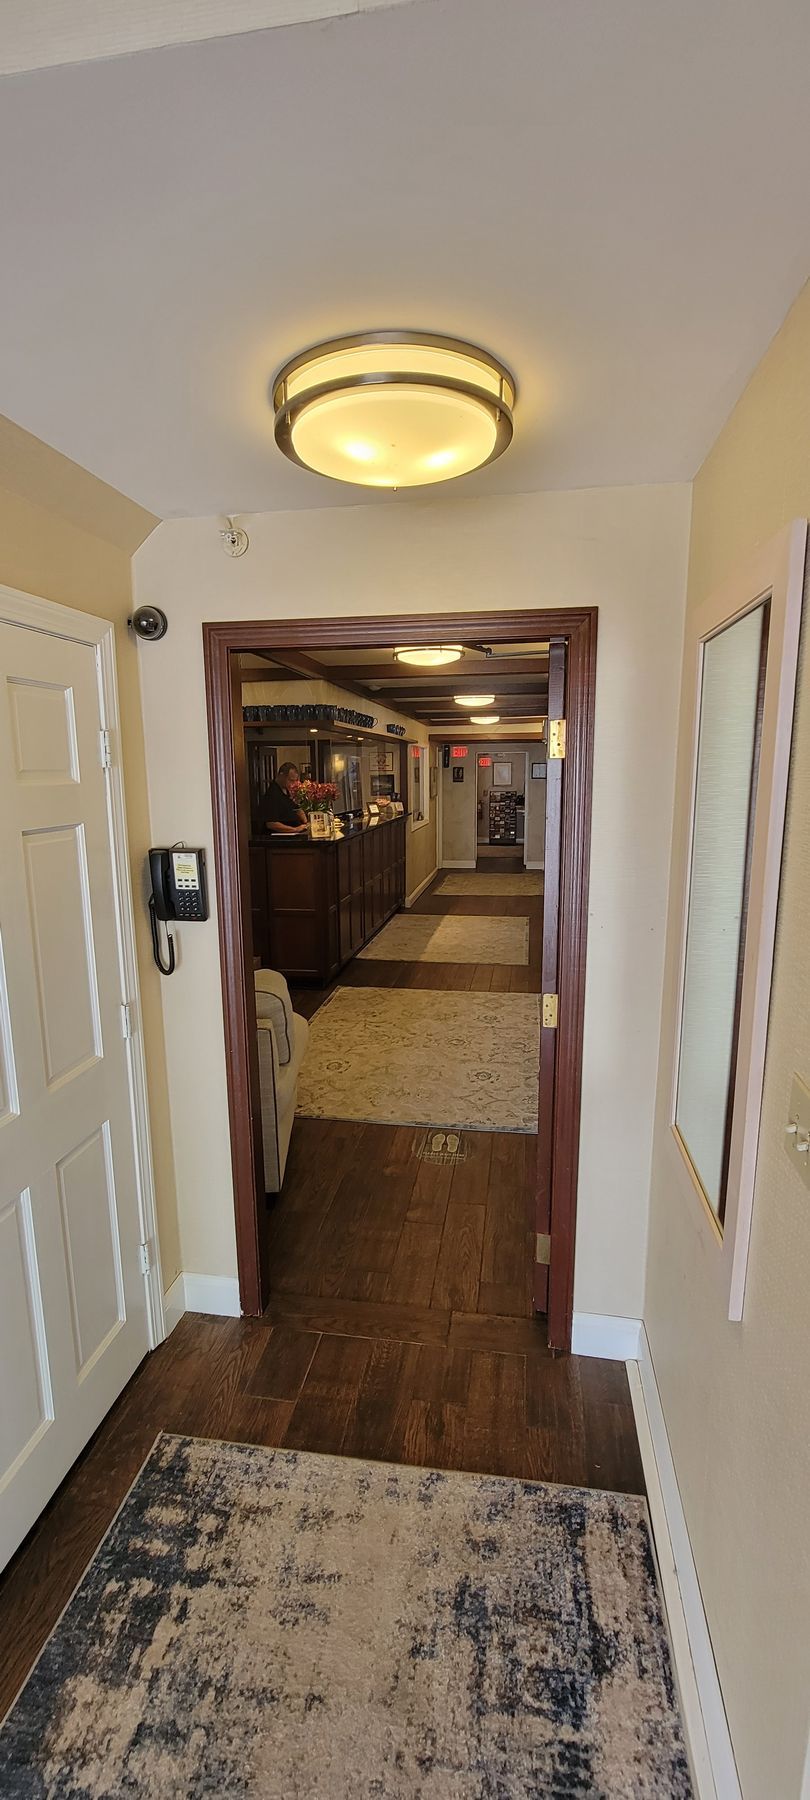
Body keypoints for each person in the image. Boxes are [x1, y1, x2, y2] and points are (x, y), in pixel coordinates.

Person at [261, 761, 308, 834]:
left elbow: (296, 809)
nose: (293, 784)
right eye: (291, 780)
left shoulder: (287, 790)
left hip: (297, 831)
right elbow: (271, 824)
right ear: (281, 775)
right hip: (282, 838)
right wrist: (295, 829)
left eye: (295, 781)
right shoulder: (272, 794)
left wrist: (306, 822)